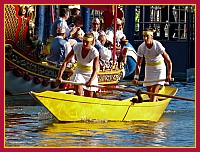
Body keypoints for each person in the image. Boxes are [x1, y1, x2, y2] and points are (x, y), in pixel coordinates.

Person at [132, 28, 172, 102]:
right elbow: (138, 64)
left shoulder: (157, 45)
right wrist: (136, 77)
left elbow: (169, 61)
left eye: (147, 36)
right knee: (149, 91)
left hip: (159, 69)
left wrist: (169, 75)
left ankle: (152, 103)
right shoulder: (141, 47)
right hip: (149, 69)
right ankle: (156, 102)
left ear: (152, 36)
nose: (145, 38)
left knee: (153, 91)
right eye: (144, 36)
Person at [56, 32, 99, 97]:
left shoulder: (94, 52)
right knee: (79, 94)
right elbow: (65, 62)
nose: (84, 44)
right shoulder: (77, 47)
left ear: (91, 42)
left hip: (90, 74)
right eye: (84, 41)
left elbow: (95, 70)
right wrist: (59, 76)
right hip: (79, 72)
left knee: (89, 97)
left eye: (87, 42)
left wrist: (90, 81)